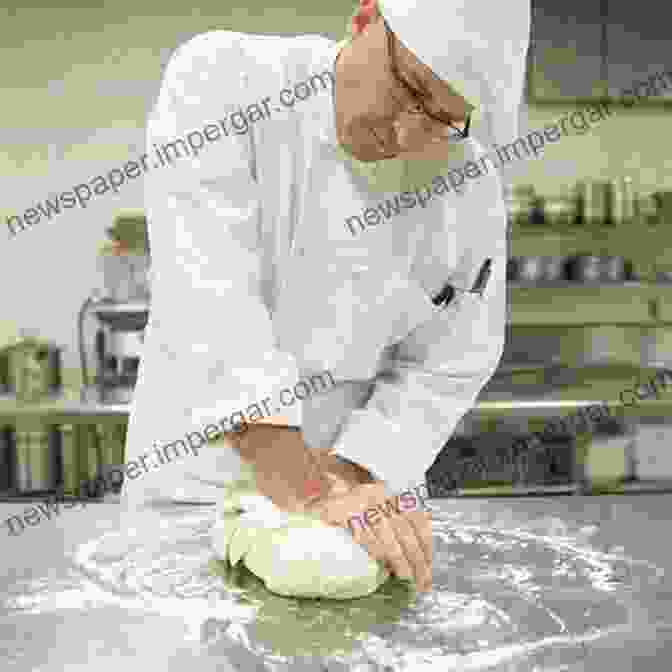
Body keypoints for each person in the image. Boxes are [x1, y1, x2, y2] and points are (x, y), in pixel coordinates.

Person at [123, 0, 531, 593]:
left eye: (444, 119)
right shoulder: (223, 85)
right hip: (200, 490)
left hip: (361, 500)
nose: (405, 132)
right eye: (409, 87)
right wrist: (305, 493)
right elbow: (211, 302)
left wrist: (349, 479)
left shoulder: (468, 188)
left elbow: (450, 360)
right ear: (365, 18)